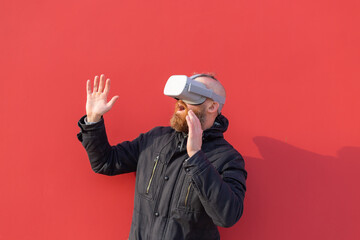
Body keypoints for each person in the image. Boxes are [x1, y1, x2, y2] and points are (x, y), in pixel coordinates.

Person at [77, 73, 247, 240]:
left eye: (192, 94)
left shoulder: (228, 159)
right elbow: (106, 162)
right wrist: (93, 119)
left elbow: (227, 216)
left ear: (212, 107)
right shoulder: (155, 139)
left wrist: (196, 156)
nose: (180, 101)